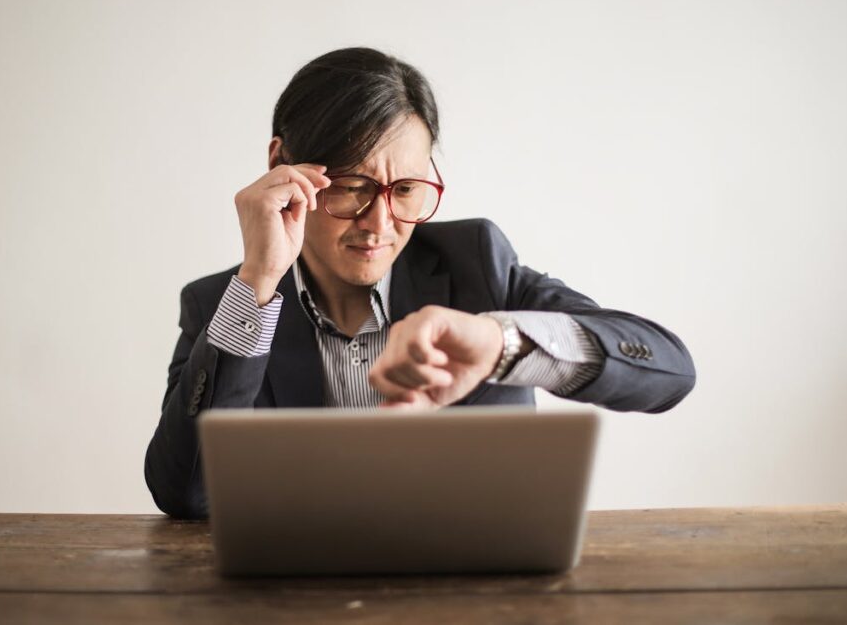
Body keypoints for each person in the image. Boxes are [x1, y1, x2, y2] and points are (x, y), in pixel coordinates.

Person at [145, 47, 696, 519]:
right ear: (281, 167)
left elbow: (668, 370)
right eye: (351, 186)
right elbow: (186, 494)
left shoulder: (476, 263)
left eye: (406, 189)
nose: (379, 225)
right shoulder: (223, 305)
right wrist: (259, 283)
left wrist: (502, 347)